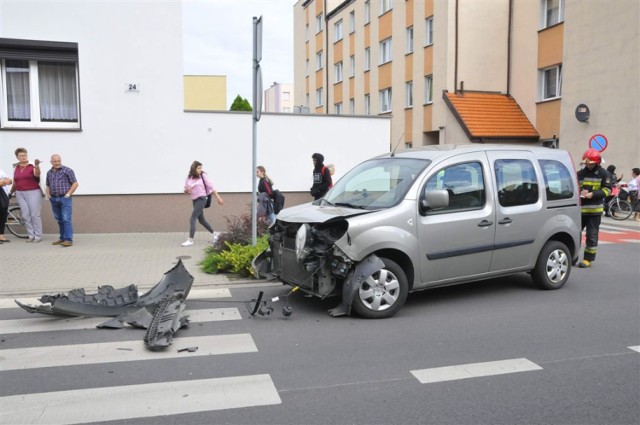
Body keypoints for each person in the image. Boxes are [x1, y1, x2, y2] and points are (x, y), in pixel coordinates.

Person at [576, 148, 612, 268]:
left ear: (597, 162)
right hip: (580, 211)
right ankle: (572, 256)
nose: (588, 165)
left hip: (594, 211)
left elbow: (607, 190)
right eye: (586, 163)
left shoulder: (604, 174)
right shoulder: (580, 174)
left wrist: (593, 194)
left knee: (591, 236)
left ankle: (588, 259)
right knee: (575, 234)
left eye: (590, 163)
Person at [182, 160, 223, 247]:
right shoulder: (189, 177)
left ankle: (190, 240)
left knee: (192, 218)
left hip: (202, 198)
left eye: (201, 168)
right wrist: (187, 190)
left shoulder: (203, 176)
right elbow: (185, 189)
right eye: (198, 168)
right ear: (194, 168)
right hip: (194, 199)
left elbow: (211, 186)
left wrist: (218, 197)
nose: (200, 169)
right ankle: (216, 234)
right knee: (202, 220)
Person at [10, 148, 43, 242]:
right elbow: (15, 182)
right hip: (20, 193)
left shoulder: (32, 165)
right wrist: (10, 192)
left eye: (25, 155)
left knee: (35, 214)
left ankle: (38, 236)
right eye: (21, 155)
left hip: (33, 192)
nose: (23, 157)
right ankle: (30, 235)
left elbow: (37, 175)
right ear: (17, 157)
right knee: (25, 215)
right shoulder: (16, 167)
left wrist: (36, 166)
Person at [46, 154, 79, 247]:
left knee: (66, 219)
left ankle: (68, 240)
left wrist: (68, 194)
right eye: (55, 161)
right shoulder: (49, 173)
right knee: (59, 219)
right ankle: (62, 238)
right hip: (54, 198)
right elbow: (48, 185)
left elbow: (75, 184)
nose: (57, 163)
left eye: (58, 161)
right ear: (51, 162)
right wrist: (49, 196)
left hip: (64, 198)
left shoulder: (67, 170)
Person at [0, 168, 12, 243]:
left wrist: (8, 181)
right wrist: (3, 182)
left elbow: (10, 181)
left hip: (3, 195)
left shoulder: (1, 171)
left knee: (3, 215)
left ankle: (1, 235)